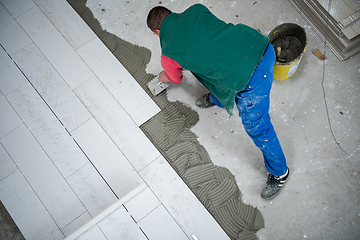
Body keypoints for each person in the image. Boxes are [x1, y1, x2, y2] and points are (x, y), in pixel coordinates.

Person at [147, 4, 289, 199]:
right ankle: (219, 99)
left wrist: (164, 76)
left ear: (157, 32)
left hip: (253, 75)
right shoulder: (196, 9)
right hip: (258, 43)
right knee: (216, 67)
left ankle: (280, 172)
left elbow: (176, 78)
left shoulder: (168, 55)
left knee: (257, 127)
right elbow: (209, 42)